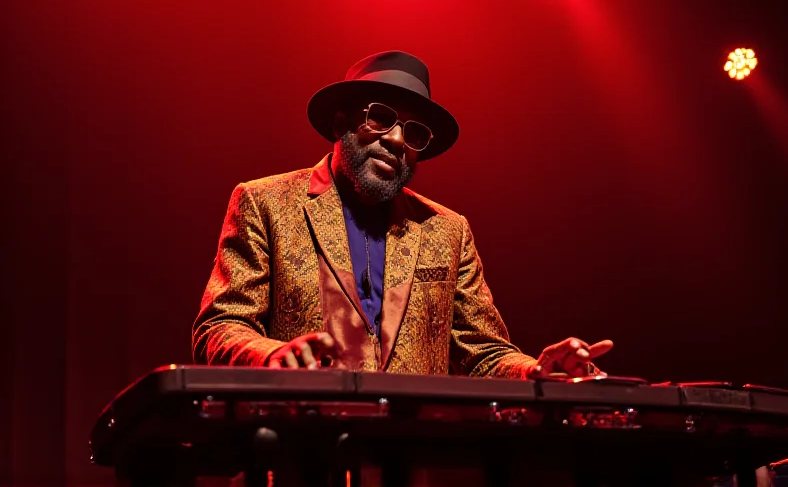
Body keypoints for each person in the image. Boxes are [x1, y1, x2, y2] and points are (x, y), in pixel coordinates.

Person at [192, 50, 613, 378]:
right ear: (341, 123)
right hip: (299, 449)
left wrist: (537, 370)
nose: (397, 140)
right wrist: (270, 354)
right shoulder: (264, 202)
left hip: (407, 457)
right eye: (381, 117)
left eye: (414, 132)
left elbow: (484, 354)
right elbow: (220, 327)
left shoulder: (448, 230)